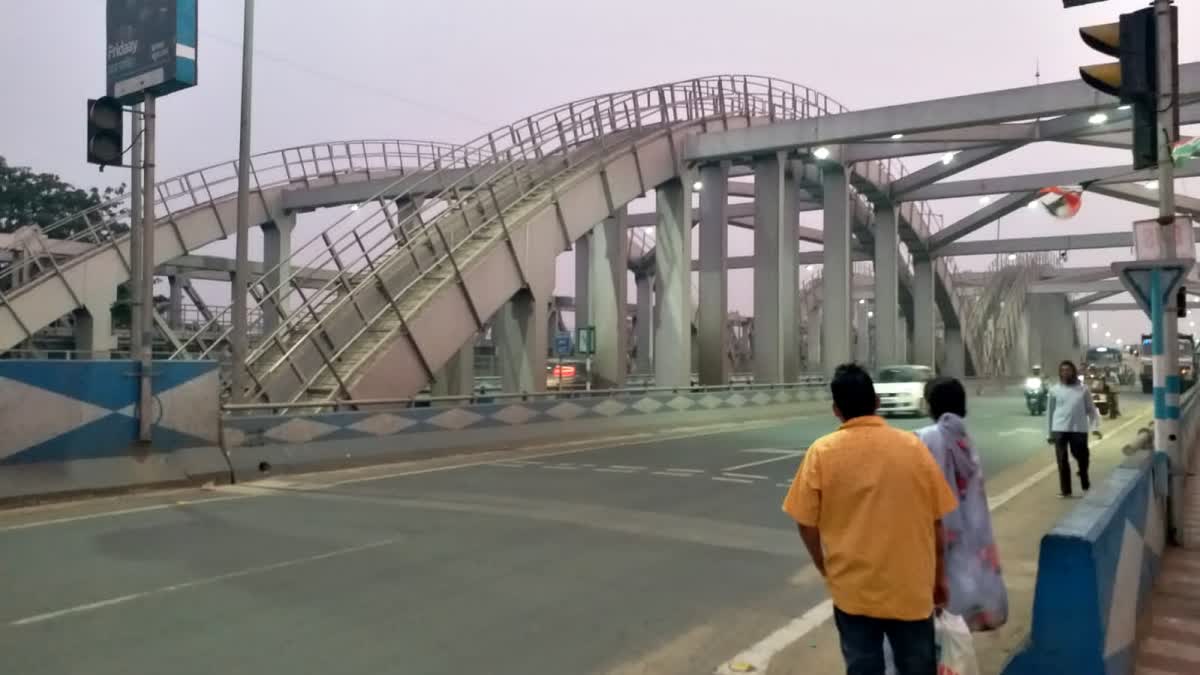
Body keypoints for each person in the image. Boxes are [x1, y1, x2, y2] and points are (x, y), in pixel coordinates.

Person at [782, 363, 958, 675]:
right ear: (877, 402)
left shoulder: (821, 453)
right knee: (917, 666)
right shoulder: (913, 447)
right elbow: (936, 521)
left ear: (836, 410)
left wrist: (825, 567)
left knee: (863, 667)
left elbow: (805, 522)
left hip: (853, 590)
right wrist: (939, 577)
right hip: (910, 588)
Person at [917, 377, 1008, 631]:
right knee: (962, 581)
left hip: (940, 527)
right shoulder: (963, 437)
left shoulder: (927, 437)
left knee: (940, 601)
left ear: (932, 404)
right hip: (970, 524)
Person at [1047, 360, 1101, 497]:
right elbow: (1050, 412)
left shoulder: (1083, 390)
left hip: (1079, 429)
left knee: (1081, 455)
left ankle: (1083, 474)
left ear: (1074, 372)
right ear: (1060, 373)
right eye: (1063, 370)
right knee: (1062, 459)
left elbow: (1091, 410)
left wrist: (1095, 427)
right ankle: (1066, 490)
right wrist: (1049, 433)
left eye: (1068, 370)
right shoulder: (1054, 390)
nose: (1065, 373)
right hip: (1059, 429)